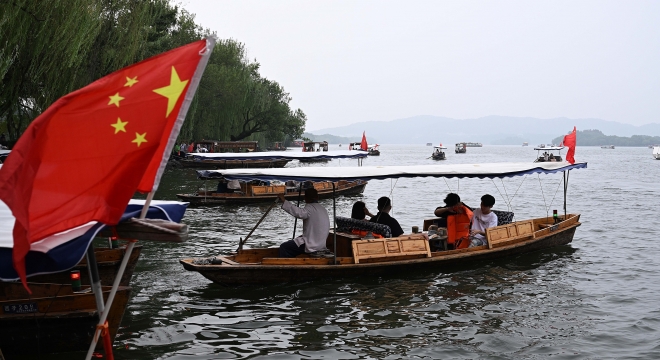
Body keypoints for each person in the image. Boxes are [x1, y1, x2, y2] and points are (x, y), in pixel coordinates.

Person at [277, 189, 331, 258]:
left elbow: (299, 213)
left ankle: (286, 267)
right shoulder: (323, 209)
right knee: (293, 243)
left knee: (284, 247)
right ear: (317, 197)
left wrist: (284, 200)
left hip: (312, 244)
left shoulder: (310, 208)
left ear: (305, 198)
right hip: (320, 244)